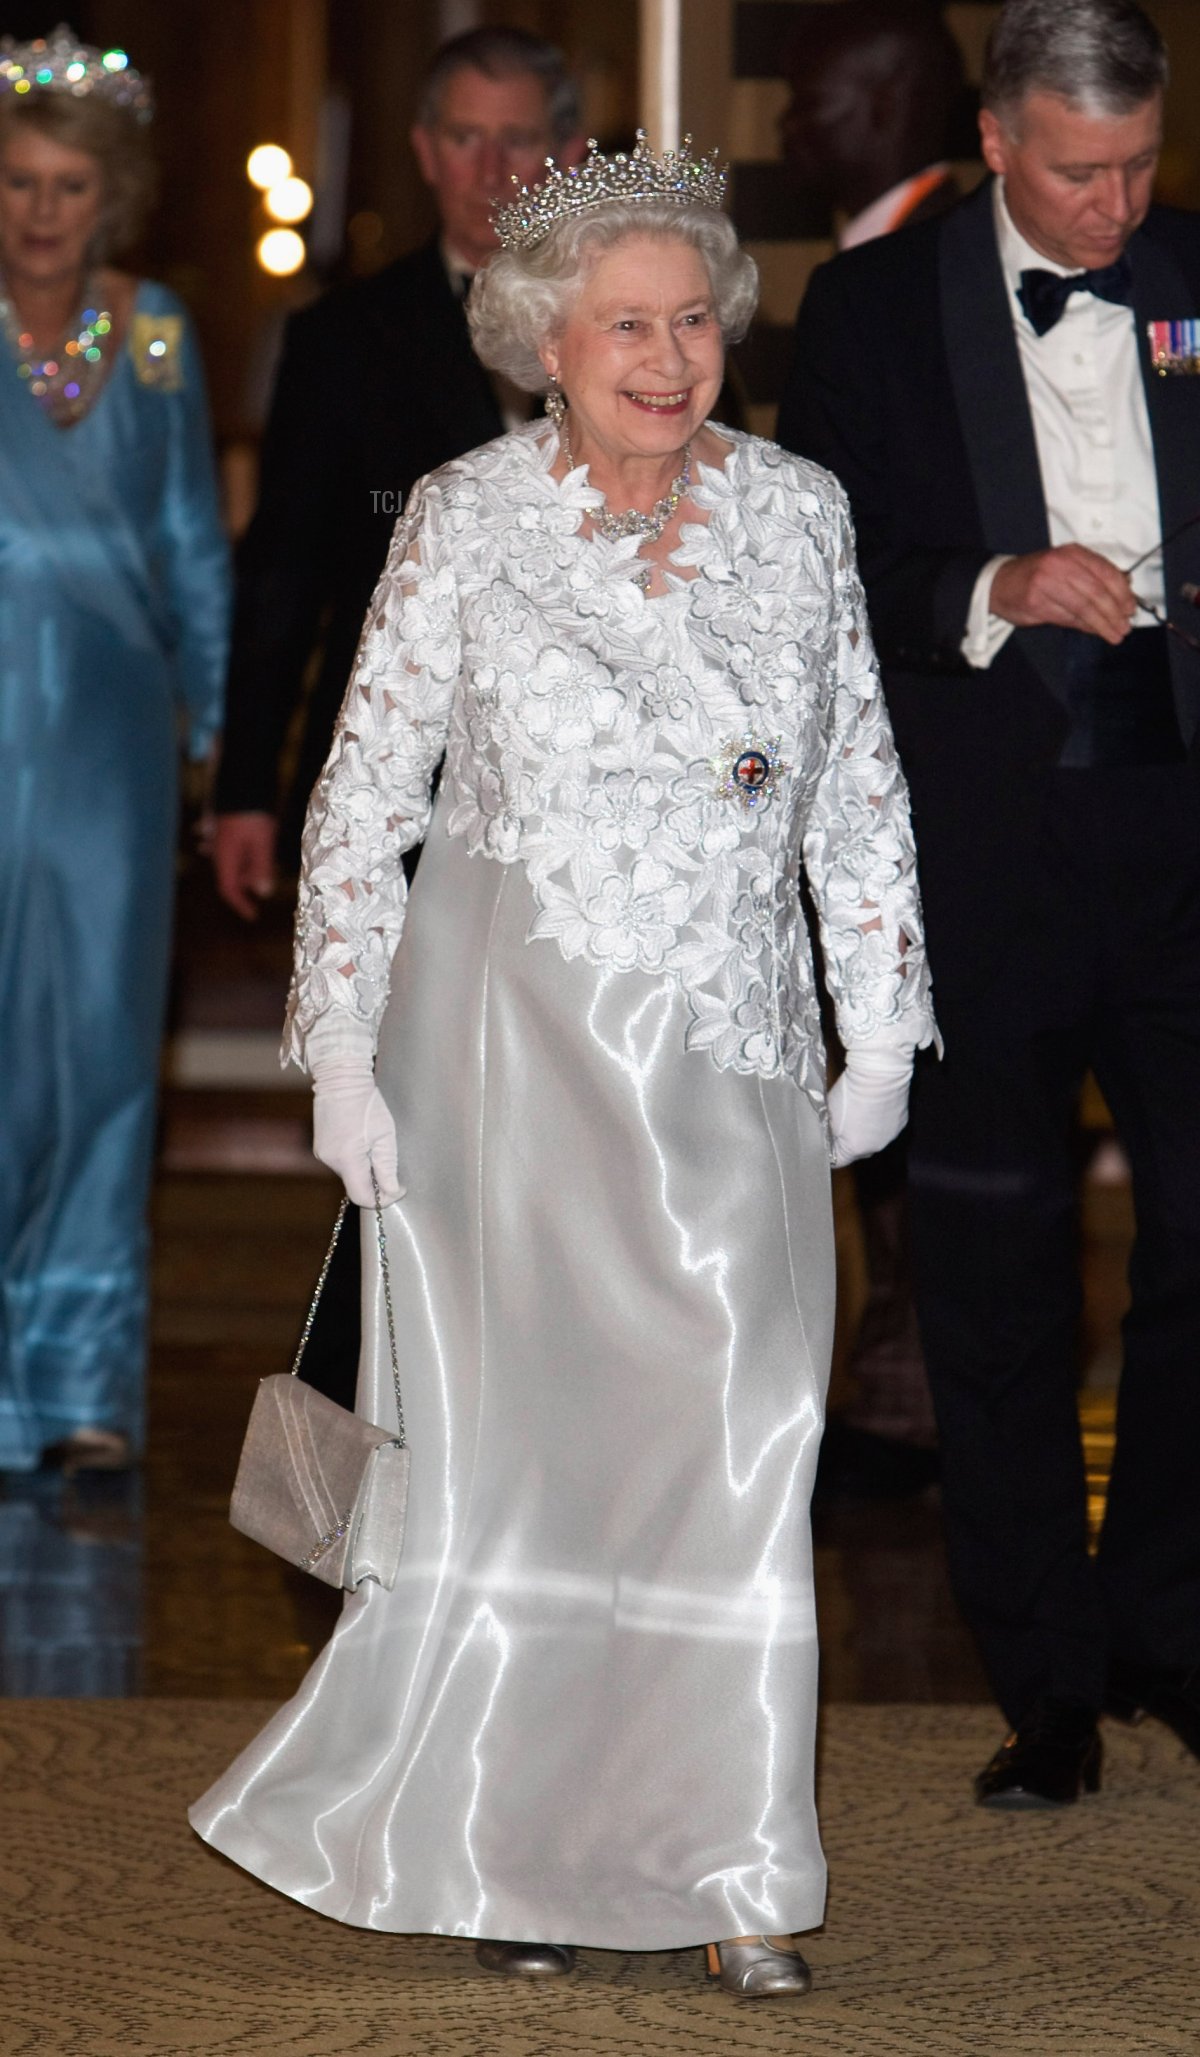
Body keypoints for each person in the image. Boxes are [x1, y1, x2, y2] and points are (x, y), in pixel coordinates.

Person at [190, 135, 936, 1991]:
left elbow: (856, 781)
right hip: (503, 1071)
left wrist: (883, 1018)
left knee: (739, 1440)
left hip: (733, 1059)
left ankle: (733, 1861)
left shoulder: (802, 511)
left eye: (694, 320)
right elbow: (365, 793)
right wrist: (340, 1052)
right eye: (625, 326)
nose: (668, 360)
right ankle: (514, 1847)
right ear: (545, 340)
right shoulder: (464, 513)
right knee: (525, 1465)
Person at [779, 0, 1200, 1807]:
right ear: (997, 139)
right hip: (986, 851)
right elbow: (826, 571)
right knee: (995, 1273)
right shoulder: (871, 308)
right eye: (1081, 172)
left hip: (1183, 830)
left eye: (1142, 165)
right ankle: (1045, 1679)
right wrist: (994, 581)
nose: (1119, 208)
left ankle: (1166, 1623)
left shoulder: (1193, 277)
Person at [211, 25, 583, 1411]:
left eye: (518, 139)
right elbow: (285, 579)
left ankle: (545, 1390)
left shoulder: (624, 323)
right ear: (426, 154)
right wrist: (247, 787)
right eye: (465, 139)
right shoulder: (344, 339)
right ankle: (395, 1404)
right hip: (408, 792)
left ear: (567, 154)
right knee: (409, 1105)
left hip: (586, 797)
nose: (492, 170)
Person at [0, 29, 230, 1473]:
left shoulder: (152, 333)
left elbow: (194, 540)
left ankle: (79, 1382)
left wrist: (214, 733)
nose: (42, 210)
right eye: (19, 180)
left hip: (112, 749)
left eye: (70, 185)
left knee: (99, 1052)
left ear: (113, 194)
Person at [781, 0, 966, 1502]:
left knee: (933, 1087)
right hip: (867, 748)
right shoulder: (862, 270)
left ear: (899, 103)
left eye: (821, 102)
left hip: (939, 749)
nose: (792, 128)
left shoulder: (933, 271)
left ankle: (924, 1386)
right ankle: (899, 1373)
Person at [781, 0, 964, 250]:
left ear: (884, 105)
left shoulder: (931, 255)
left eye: (808, 103)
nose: (786, 123)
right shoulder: (927, 241)